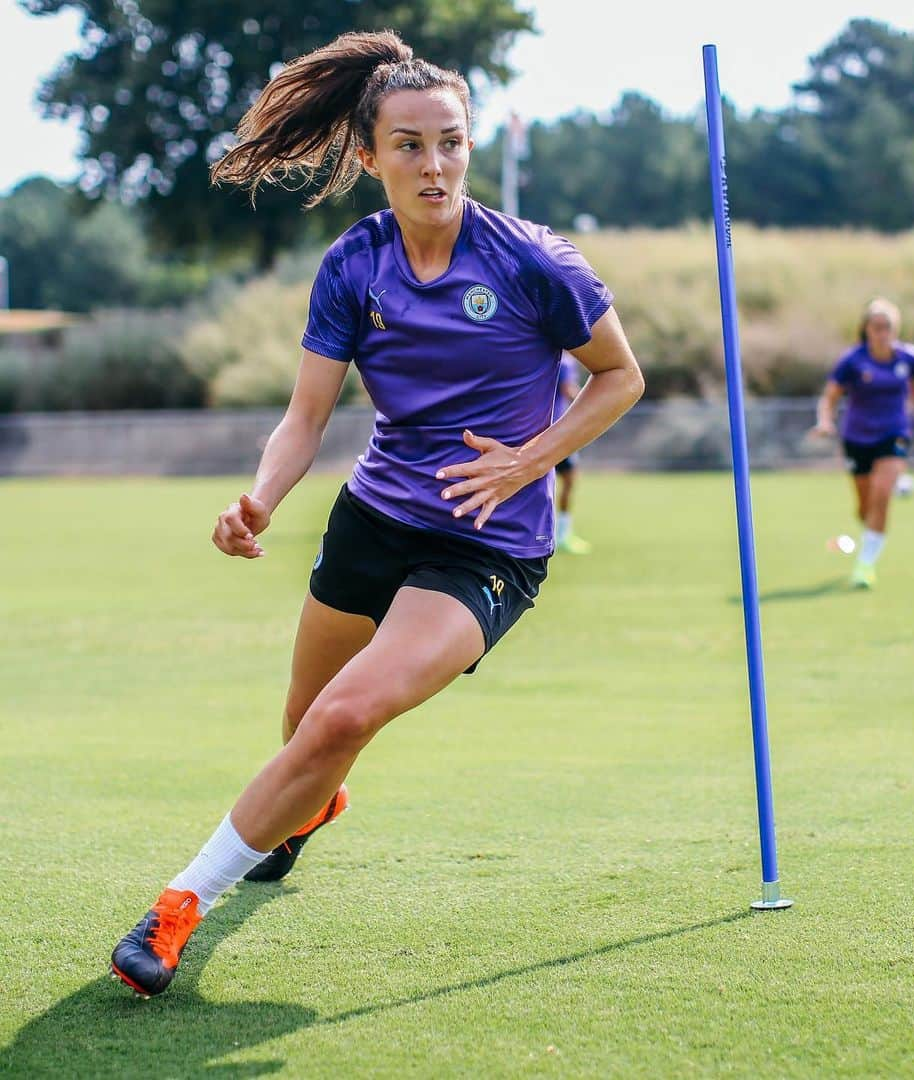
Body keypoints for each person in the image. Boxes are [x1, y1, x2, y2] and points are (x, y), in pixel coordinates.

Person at [109, 30, 644, 998]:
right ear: (370, 157)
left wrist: (530, 460)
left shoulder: (535, 261)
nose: (434, 164)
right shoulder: (354, 266)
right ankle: (307, 810)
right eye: (409, 145)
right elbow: (305, 416)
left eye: (450, 141)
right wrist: (260, 501)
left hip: (485, 546)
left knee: (344, 716)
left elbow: (619, 376)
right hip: (373, 520)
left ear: (470, 145)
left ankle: (175, 909)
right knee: (305, 726)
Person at [813, 298, 914, 589]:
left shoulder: (909, 359)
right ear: (866, 328)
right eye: (876, 326)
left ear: (896, 328)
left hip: (893, 433)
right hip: (857, 437)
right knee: (864, 507)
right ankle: (869, 534)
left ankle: (864, 566)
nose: (882, 332)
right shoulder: (852, 361)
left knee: (882, 494)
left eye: (887, 327)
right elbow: (830, 397)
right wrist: (825, 420)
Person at [553, 352, 592, 554]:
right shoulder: (566, 362)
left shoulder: (551, 357)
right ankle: (561, 535)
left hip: (544, 430)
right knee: (569, 480)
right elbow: (568, 390)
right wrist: (597, 399)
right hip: (559, 433)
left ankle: (558, 534)